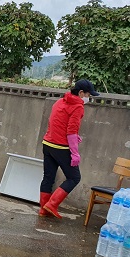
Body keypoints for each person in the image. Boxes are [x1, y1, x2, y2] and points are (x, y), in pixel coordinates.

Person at [40, 79, 99, 219]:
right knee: (74, 177)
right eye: (88, 95)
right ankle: (52, 204)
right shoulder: (78, 106)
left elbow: (55, 123)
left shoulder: (60, 102)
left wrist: (74, 137)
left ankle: (43, 210)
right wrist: (75, 153)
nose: (88, 98)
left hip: (47, 144)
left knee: (48, 177)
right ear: (80, 93)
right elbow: (71, 131)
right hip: (61, 147)